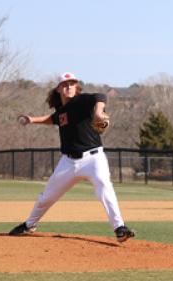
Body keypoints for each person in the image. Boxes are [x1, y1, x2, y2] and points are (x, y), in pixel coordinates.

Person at [9, 72, 135, 243]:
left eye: (72, 84)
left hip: (93, 158)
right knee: (47, 197)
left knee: (104, 187)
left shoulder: (81, 101)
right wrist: (31, 119)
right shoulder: (61, 110)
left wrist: (98, 112)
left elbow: (100, 96)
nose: (69, 87)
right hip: (68, 162)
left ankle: (119, 228)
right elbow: (53, 119)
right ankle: (30, 224)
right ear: (59, 88)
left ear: (76, 87)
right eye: (65, 84)